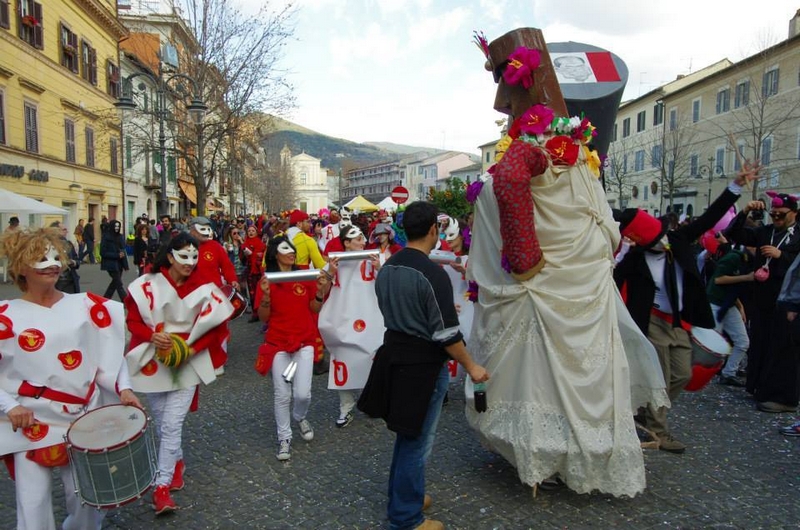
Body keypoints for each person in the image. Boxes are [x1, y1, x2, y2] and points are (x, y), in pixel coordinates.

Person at [465, 27, 667, 497]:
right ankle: (565, 455)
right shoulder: (570, 151)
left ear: (524, 88)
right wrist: (531, 256)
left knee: (543, 376)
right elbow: (518, 180)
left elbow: (511, 176)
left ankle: (549, 457)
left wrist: (525, 259)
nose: (501, 103)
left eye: (505, 87)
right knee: (569, 371)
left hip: (555, 282)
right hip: (576, 280)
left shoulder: (538, 147)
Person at [357, 201, 489, 530]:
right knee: (416, 442)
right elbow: (447, 335)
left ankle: (406, 497)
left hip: (395, 356)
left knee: (407, 437)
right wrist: (472, 367)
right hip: (422, 366)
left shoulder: (389, 267)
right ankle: (406, 518)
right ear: (433, 230)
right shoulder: (432, 274)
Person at [0, 227, 141, 530]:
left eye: (55, 257)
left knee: (85, 498)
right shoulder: (5, 315)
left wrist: (125, 388)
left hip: (82, 416)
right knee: (33, 501)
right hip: (31, 421)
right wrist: (9, 407)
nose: (51, 264)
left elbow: (111, 350)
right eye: (40, 259)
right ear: (21, 268)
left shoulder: (87, 305)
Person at [615, 163, 759, 453]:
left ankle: (642, 410)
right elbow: (613, 281)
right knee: (659, 378)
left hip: (679, 320)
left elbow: (709, 219)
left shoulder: (678, 240)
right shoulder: (633, 257)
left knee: (682, 374)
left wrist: (735, 186)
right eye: (654, 242)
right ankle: (658, 431)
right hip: (651, 320)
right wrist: (621, 254)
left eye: (661, 238)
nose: (662, 244)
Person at [124, 232, 234, 514]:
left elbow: (217, 328)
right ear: (170, 256)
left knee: (172, 425)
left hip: (188, 364)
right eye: (183, 256)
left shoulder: (206, 288)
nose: (190, 262)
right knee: (162, 423)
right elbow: (133, 320)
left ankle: (161, 488)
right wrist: (151, 336)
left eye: (194, 257)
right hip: (154, 363)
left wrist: (191, 349)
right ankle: (177, 462)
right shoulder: (146, 285)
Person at [255, 235, 337, 461]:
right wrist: (266, 298)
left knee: (302, 394)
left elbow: (315, 307)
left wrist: (320, 291)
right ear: (275, 254)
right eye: (285, 249)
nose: (292, 252)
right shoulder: (267, 280)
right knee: (282, 394)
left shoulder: (305, 275)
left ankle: (299, 416)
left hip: (304, 344)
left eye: (292, 249)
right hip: (279, 345)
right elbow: (263, 317)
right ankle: (284, 437)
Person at [725, 191, 800, 413]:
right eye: (773, 214)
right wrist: (746, 211)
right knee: (760, 344)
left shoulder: (798, 235)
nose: (776, 219)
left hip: (787, 301)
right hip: (763, 298)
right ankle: (760, 387)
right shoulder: (765, 232)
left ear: (794, 213)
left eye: (781, 215)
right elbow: (734, 234)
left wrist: (781, 256)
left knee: (783, 350)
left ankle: (784, 397)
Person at [318, 225, 382, 428]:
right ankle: (346, 405)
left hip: (369, 315)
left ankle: (370, 400)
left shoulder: (373, 260)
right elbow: (322, 288)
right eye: (357, 239)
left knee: (371, 355)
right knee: (342, 357)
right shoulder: (334, 262)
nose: (363, 242)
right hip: (342, 316)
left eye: (363, 238)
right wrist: (330, 272)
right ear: (346, 242)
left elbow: (386, 283)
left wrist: (381, 268)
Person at [705, 234, 753, 387]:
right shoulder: (734, 258)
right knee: (713, 343)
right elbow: (718, 279)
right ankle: (703, 372)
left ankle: (728, 373)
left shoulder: (747, 262)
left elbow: (732, 287)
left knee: (743, 341)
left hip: (728, 304)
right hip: (715, 303)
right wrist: (746, 278)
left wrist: (740, 306)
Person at [240, 224, 266, 322]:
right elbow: (242, 258)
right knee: (252, 293)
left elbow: (263, 255)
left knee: (260, 292)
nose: (250, 232)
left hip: (258, 271)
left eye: (253, 231)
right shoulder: (245, 243)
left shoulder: (260, 243)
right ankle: (255, 313)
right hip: (249, 271)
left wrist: (255, 255)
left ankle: (261, 312)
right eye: (249, 231)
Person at [100, 220, 129, 301]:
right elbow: (102, 252)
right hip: (110, 264)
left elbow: (123, 251)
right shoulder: (106, 237)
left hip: (120, 264)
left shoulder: (120, 236)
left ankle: (105, 299)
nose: (117, 228)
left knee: (114, 283)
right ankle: (126, 300)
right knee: (118, 283)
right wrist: (116, 255)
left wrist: (125, 265)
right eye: (115, 226)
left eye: (118, 227)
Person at [50, 221, 81, 293]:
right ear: (55, 231)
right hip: (55, 281)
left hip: (70, 280)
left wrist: (73, 262)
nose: (67, 231)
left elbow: (77, 259)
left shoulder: (68, 244)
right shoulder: (48, 245)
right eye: (64, 229)